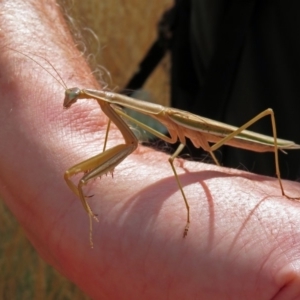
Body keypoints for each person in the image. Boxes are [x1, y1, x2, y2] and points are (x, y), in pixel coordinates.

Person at [1, 0, 300, 298]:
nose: (74, 100)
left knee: (189, 156)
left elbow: (135, 144)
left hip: (245, 129)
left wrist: (184, 215)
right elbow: (123, 135)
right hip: (223, 41)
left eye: (76, 96)